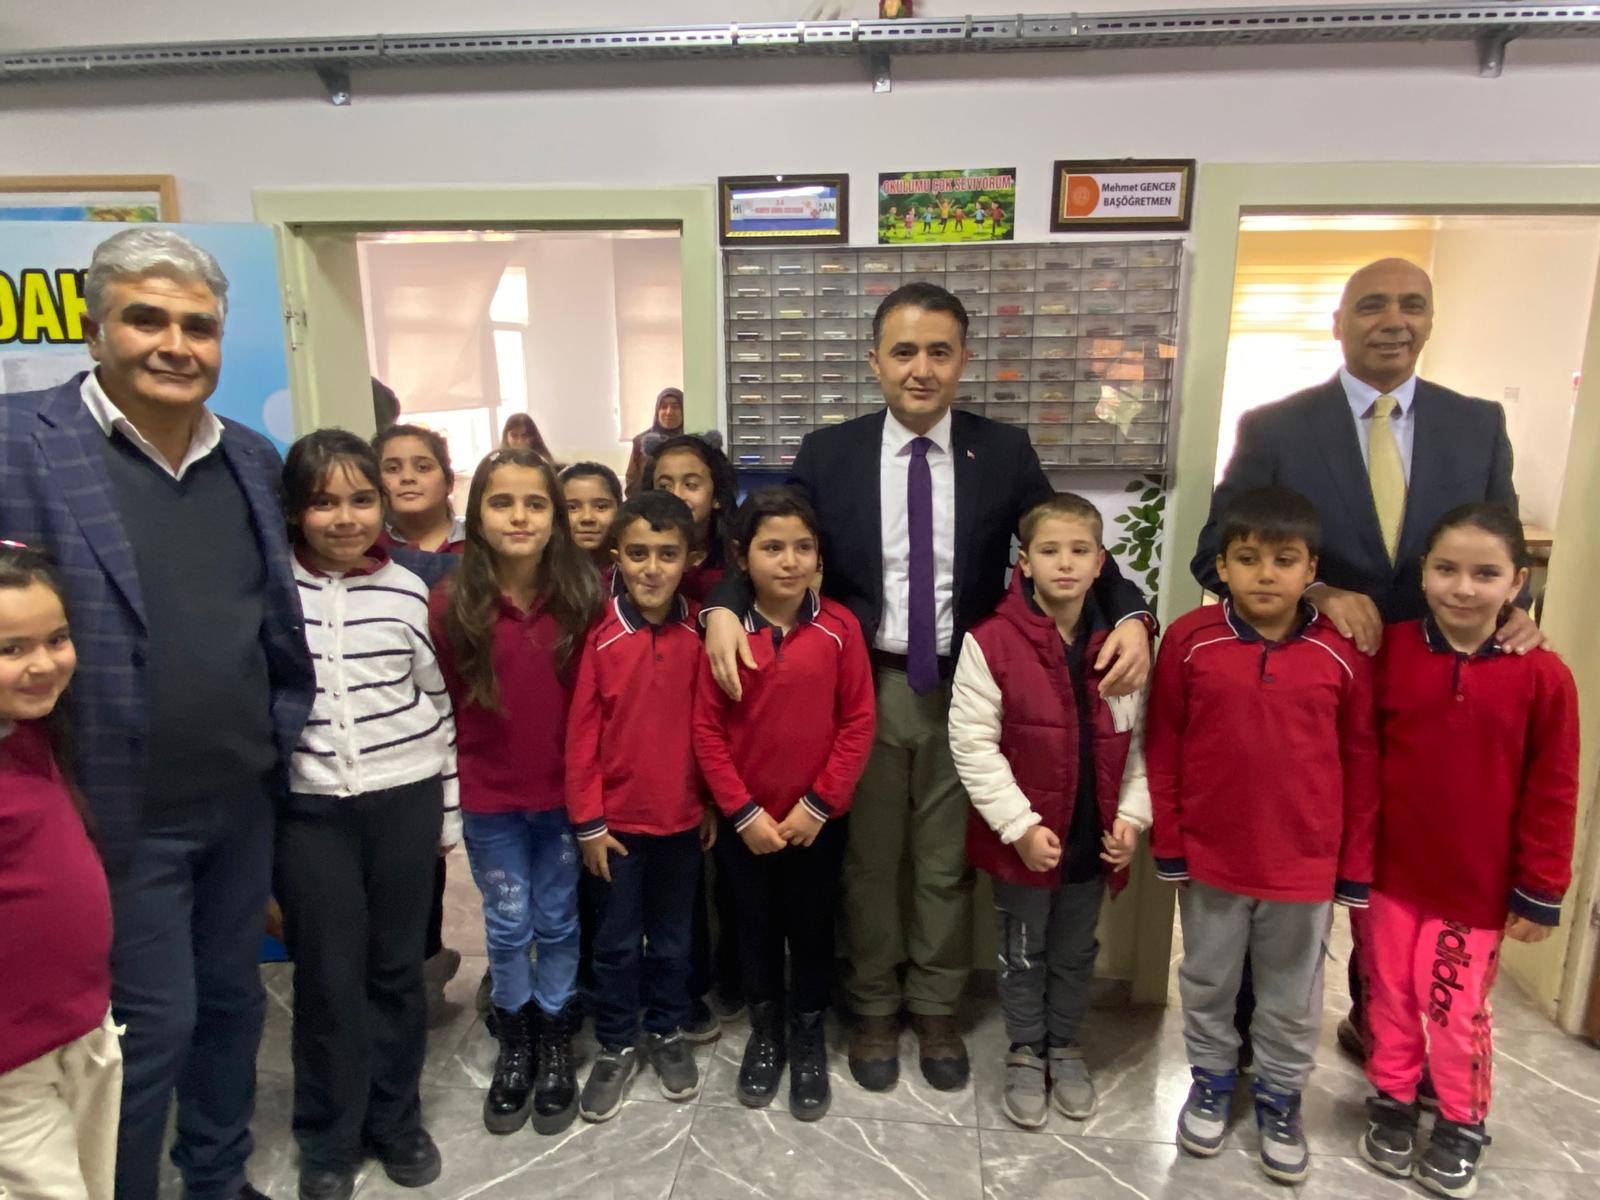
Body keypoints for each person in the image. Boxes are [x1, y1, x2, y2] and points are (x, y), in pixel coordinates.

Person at [703, 281, 1151, 1095]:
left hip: (968, 691)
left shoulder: (1002, 451)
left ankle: (936, 1004)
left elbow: (1066, 538)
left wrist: (1132, 613)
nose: (922, 368)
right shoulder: (831, 452)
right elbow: (767, 537)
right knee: (871, 865)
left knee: (945, 865)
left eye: (939, 352)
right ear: (874, 361)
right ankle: (874, 1004)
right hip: (865, 688)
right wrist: (724, 609)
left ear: (963, 361)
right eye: (904, 351)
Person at [0, 227, 315, 1200]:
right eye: (146, 319)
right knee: (147, 1029)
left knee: (232, 1006)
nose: (176, 345)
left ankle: (216, 1179)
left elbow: (269, 614)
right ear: (95, 332)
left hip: (239, 794)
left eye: (198, 326)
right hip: (107, 809)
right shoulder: (17, 443)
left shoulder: (251, 458)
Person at [1190, 256, 1543, 1063]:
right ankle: (1247, 1032)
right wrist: (1316, 594)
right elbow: (1215, 554)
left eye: (1412, 305)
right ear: (1339, 322)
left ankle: (1383, 1024)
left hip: (1434, 691)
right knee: (1286, 853)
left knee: (1407, 861)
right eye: (1373, 305)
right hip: (1309, 686)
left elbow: (1501, 551)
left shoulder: (1476, 423)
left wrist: (1516, 614)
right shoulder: (1277, 426)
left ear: (1430, 320)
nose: (1394, 321)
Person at [1150, 485, 1378, 1185]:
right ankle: (1212, 1080)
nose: (1266, 575)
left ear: (1312, 569)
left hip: (1303, 866)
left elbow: (1361, 761)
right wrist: (1171, 842)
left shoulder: (1341, 653)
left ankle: (1280, 1096)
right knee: (1208, 979)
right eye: (1248, 559)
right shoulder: (1190, 640)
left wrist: (1353, 866)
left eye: (1284, 560)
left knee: (1291, 994)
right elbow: (1164, 742)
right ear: (1222, 566)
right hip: (1212, 859)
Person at [1355, 504, 1578, 1197]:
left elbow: (1554, 789)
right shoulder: (1388, 652)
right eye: (1446, 569)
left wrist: (1541, 889)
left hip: (1475, 889)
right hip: (1388, 875)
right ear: (1423, 572)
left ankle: (1461, 1119)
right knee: (1389, 995)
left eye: (1485, 574)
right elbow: (1359, 760)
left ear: (1517, 582)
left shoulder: (1543, 676)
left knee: (1452, 1009)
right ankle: (1393, 1099)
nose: (1462, 587)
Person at [275, 431, 460, 1200]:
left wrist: (448, 814)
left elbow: (437, 702)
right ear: (295, 511)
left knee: (395, 972)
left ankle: (396, 1119)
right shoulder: (271, 589)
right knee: (327, 978)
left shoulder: (408, 589)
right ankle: (329, 1137)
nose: (345, 518)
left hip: (404, 801)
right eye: (324, 502)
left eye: (360, 499)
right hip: (312, 810)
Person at [948, 493, 1150, 1130]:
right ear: (1025, 562)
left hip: (1093, 838)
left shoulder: (1123, 646)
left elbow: (1143, 742)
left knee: (1074, 950)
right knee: (1022, 949)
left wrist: (1132, 819)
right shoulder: (991, 641)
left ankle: (1064, 1044)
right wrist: (1020, 828)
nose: (1065, 563)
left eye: (1080, 550)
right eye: (1050, 550)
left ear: (1101, 563)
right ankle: (1024, 1048)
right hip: (1025, 841)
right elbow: (973, 743)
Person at [428, 448, 602, 1137]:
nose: (519, 517)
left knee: (557, 919)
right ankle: (517, 1035)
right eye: (502, 503)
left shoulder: (582, 597)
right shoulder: (452, 603)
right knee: (506, 924)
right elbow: (440, 705)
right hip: (489, 799)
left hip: (564, 801)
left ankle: (555, 1032)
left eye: (535, 503)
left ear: (555, 517)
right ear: (476, 516)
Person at [692, 487, 876, 1121]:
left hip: (817, 823)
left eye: (803, 547)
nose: (790, 561)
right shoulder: (724, 634)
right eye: (772, 547)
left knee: (814, 927)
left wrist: (819, 805)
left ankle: (807, 1033)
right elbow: (707, 731)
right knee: (755, 928)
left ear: (819, 556)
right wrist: (742, 813)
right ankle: (766, 1031)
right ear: (742, 556)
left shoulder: (839, 628)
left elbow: (858, 721)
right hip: (747, 826)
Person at [567, 491, 714, 1123]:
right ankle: (616, 1041)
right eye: (637, 554)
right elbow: (580, 739)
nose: (652, 569)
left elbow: (714, 730)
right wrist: (589, 823)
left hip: (683, 822)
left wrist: (709, 804)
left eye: (667, 554)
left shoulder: (703, 631)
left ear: (691, 559)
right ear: (616, 558)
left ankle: (667, 1029)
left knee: (675, 940)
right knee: (617, 943)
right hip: (615, 830)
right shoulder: (600, 638)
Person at [0, 544, 120, 1200]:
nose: (44, 663)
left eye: (57, 639)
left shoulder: (31, 733)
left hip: (81, 1028)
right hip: (12, 1064)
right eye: (11, 649)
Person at [371, 423, 463, 1024]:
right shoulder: (364, 548)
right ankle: (414, 975)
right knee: (413, 854)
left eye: (422, 465)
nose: (407, 477)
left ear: (447, 478)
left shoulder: (477, 547)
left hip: (474, 712)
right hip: (399, 724)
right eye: (393, 466)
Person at [645, 434, 738, 609]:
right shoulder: (641, 559)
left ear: (717, 496)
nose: (676, 495)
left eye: (690, 485)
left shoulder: (736, 557)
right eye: (664, 486)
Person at [375, 425, 465, 554]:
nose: (407, 477)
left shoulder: (481, 540)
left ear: (449, 482)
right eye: (393, 469)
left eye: (423, 467)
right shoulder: (368, 548)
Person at [559, 461, 623, 576]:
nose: (587, 518)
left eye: (601, 507)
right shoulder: (539, 573)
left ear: (619, 509)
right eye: (572, 507)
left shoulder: (632, 571)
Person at [625, 388, 685, 497]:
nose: (669, 412)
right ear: (657, 411)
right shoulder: (641, 441)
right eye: (663, 407)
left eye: (675, 407)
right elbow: (632, 480)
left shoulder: (690, 442)